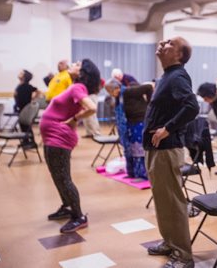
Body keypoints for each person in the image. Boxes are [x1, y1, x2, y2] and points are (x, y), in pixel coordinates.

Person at [143, 37, 198, 268]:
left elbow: (192, 106)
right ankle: (169, 242)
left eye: (170, 44)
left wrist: (167, 128)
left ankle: (184, 255)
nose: (163, 43)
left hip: (167, 149)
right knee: (163, 201)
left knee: (173, 202)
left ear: (178, 55)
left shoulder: (177, 76)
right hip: (156, 149)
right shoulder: (167, 76)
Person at [40, 59, 101, 233]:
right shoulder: (75, 87)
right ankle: (67, 206)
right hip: (52, 137)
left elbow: (92, 108)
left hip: (59, 138)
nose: (73, 64)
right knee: (57, 175)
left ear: (83, 73)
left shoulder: (77, 88)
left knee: (63, 178)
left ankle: (79, 216)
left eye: (77, 64)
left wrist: (74, 120)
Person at [105, 79, 153, 179]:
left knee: (139, 149)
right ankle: (134, 173)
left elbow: (148, 87)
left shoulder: (128, 91)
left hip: (139, 122)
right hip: (130, 123)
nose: (111, 94)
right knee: (131, 149)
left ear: (117, 88)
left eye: (111, 91)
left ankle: (143, 174)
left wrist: (149, 105)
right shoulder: (119, 97)